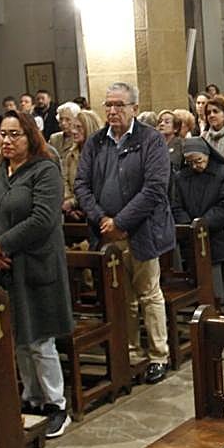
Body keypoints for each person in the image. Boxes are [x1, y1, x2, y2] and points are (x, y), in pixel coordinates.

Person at [0, 111, 74, 438]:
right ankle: (32, 398)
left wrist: (1, 245)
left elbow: (43, 219)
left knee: (40, 339)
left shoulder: (45, 170)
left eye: (15, 134)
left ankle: (56, 404)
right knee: (17, 338)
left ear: (30, 137)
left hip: (34, 265)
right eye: (3, 134)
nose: (7, 140)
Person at [74, 81, 174, 384]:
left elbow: (154, 188)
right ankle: (131, 352)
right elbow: (81, 185)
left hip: (142, 230)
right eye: (108, 105)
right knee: (122, 297)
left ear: (134, 108)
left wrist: (121, 222)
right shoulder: (96, 142)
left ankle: (158, 355)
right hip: (106, 233)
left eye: (119, 105)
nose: (113, 110)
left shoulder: (151, 140)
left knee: (148, 293)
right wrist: (101, 218)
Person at [173, 137, 224, 316]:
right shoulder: (181, 177)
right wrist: (191, 225)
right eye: (190, 162)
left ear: (207, 155)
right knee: (209, 275)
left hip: (221, 231)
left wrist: (204, 223)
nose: (195, 166)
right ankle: (214, 309)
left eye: (198, 161)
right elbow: (176, 205)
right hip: (195, 233)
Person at [62, 110, 101, 222]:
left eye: (79, 127)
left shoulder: (101, 156)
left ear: (89, 128)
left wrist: (73, 203)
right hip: (72, 212)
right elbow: (65, 181)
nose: (73, 131)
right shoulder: (71, 155)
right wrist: (69, 205)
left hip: (96, 212)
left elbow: (95, 187)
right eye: (73, 127)